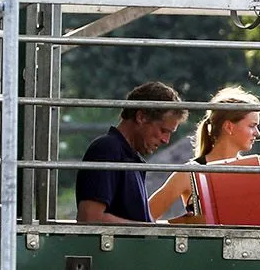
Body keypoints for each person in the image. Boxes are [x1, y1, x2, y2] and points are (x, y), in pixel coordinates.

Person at [75, 82, 186, 224]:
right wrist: (148, 229)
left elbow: (139, 221)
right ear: (141, 117)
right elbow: (90, 217)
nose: (166, 140)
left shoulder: (129, 157)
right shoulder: (107, 150)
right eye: (163, 130)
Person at [147, 86, 260, 222]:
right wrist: (181, 224)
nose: (257, 133)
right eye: (252, 126)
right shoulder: (188, 174)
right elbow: (144, 217)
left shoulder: (254, 170)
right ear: (229, 127)